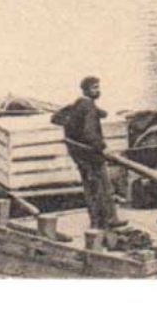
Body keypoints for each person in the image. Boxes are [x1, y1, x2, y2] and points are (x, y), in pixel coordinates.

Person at [52, 76, 123, 230]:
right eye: (94, 88)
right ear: (86, 90)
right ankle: (111, 220)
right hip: (91, 155)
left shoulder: (79, 104)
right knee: (105, 188)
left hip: (79, 155)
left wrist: (99, 113)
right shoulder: (88, 106)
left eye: (98, 87)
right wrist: (104, 148)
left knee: (90, 188)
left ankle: (96, 222)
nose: (98, 90)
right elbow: (90, 133)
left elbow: (56, 118)